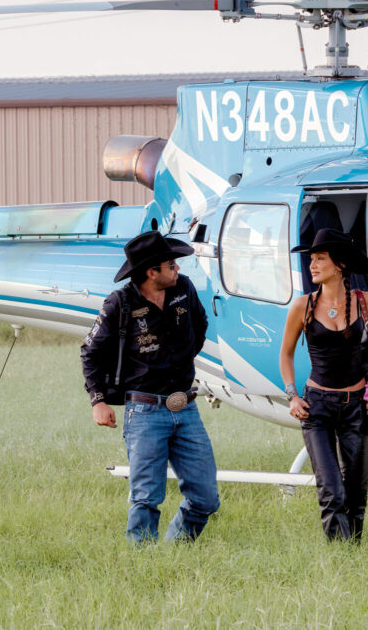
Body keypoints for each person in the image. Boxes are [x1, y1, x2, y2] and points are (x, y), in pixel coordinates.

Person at [81, 230, 219, 544]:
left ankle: (175, 549)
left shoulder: (183, 289)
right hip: (143, 410)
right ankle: (144, 569)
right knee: (146, 498)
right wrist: (98, 400)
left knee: (207, 498)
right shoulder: (120, 303)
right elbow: (90, 351)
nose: (178, 269)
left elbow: (199, 326)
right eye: (171, 265)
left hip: (186, 407)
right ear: (150, 272)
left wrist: (180, 360)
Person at [279, 228, 368, 542]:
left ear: (339, 264)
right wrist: (292, 396)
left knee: (356, 491)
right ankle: (340, 554)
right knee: (330, 489)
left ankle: (353, 551)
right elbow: (285, 355)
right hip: (317, 407)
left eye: (319, 259)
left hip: (357, 406)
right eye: (311, 259)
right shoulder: (302, 306)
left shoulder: (365, 302)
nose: (312, 265)